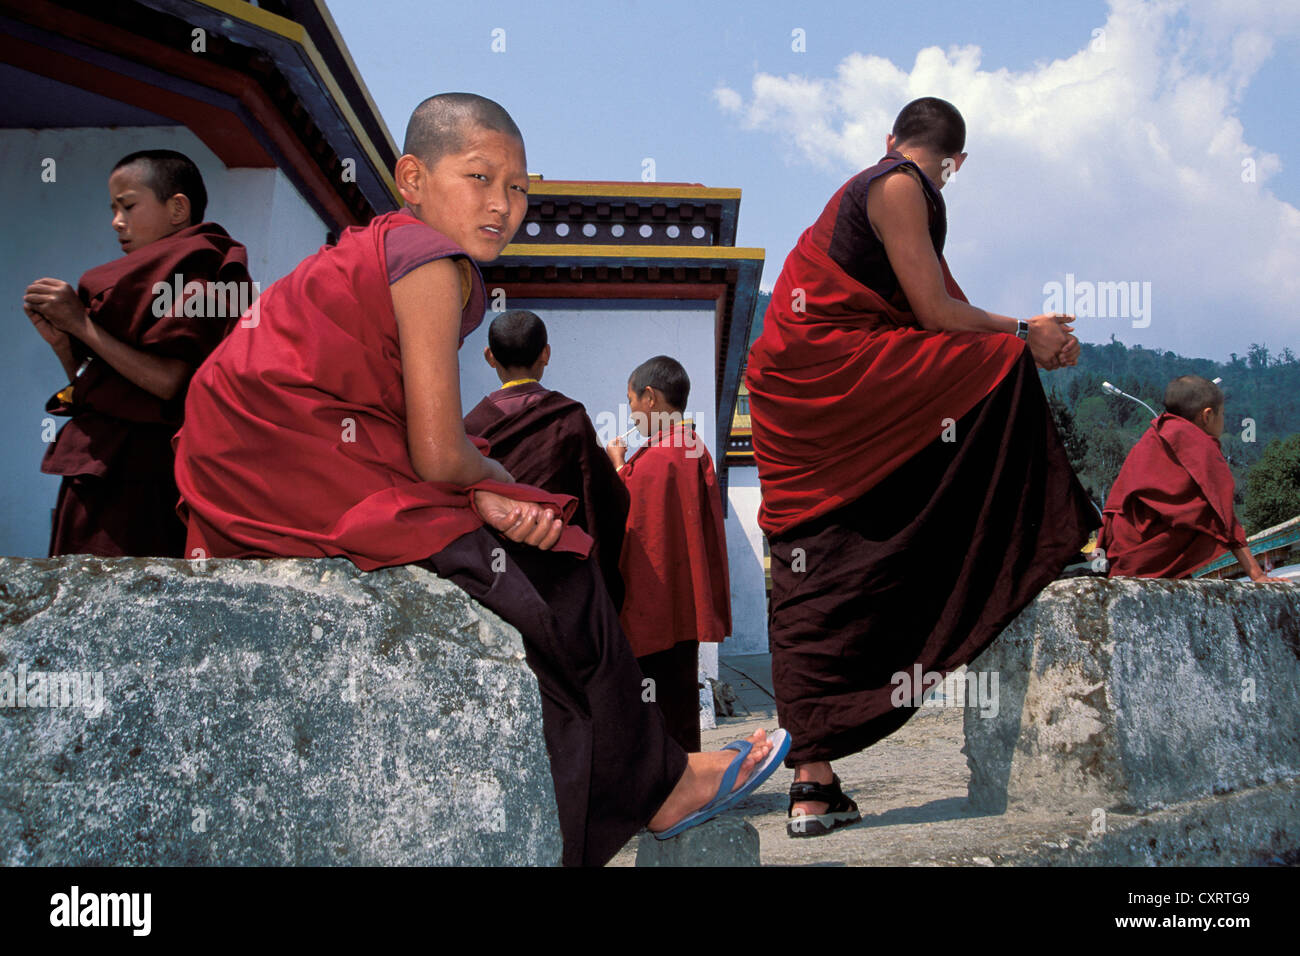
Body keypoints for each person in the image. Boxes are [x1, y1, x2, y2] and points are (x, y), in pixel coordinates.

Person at [172, 92, 787, 866]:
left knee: (532, 546)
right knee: (562, 574)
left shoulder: (386, 249)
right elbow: (435, 453)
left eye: (520, 186)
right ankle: (659, 789)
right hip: (287, 462)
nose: (504, 204)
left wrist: (480, 482)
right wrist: (492, 481)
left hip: (246, 462)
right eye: (480, 177)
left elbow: (397, 423)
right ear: (412, 177)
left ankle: (651, 780)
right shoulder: (433, 262)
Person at [745, 96, 1097, 837]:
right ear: (955, 162)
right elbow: (936, 314)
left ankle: (812, 787)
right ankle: (1048, 538)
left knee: (819, 560)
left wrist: (1022, 333)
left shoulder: (880, 184)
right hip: (831, 374)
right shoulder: (904, 185)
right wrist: (1025, 332)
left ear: (892, 137)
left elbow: (925, 309)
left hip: (804, 393)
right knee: (997, 364)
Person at [23, 149, 252, 557]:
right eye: (113, 208)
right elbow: (98, 384)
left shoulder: (200, 269)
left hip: (142, 476)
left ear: (178, 208)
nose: (116, 221)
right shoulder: (139, 277)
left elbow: (168, 382)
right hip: (98, 465)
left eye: (128, 205)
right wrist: (63, 343)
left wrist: (81, 325)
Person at [463, 310, 630, 610]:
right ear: (546, 354)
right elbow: (607, 501)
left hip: (491, 578)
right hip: (558, 576)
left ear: (489, 356)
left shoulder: (470, 428)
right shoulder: (570, 418)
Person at [606, 356, 731, 752]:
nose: (631, 413)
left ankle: (668, 786)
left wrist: (616, 467)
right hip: (685, 604)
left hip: (655, 606)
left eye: (631, 402)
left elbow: (629, 519)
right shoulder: (691, 447)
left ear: (650, 397)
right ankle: (686, 777)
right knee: (680, 699)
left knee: (656, 703)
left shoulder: (660, 457)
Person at [1098, 375, 1282, 581]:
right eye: (1222, 414)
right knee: (1208, 516)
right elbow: (1224, 515)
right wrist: (1257, 575)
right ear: (1207, 415)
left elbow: (1115, 505)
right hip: (1153, 556)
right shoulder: (1201, 446)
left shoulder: (1153, 436)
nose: (1223, 421)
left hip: (1122, 554)